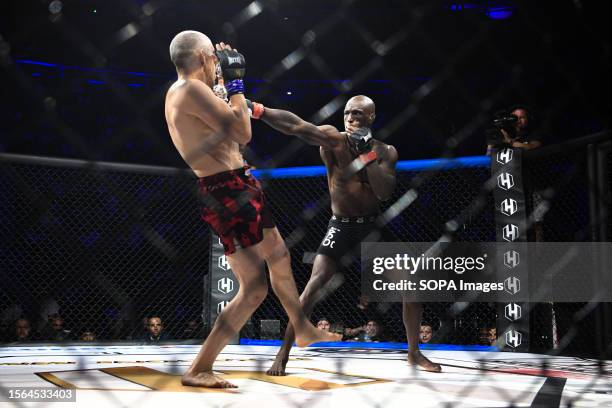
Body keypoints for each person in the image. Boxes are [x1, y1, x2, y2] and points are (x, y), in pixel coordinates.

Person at [164, 30, 339, 388]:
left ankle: (295, 331)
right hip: (228, 190)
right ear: (201, 56)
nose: (218, 62)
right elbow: (243, 133)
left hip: (231, 185)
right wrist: (237, 81)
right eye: (213, 56)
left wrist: (229, 88)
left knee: (266, 272)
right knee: (266, 272)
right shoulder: (189, 90)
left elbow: (231, 133)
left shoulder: (192, 91)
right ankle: (297, 330)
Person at [247, 95, 441, 375]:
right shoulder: (333, 140)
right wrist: (258, 110)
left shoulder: (386, 151)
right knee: (312, 288)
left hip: (372, 226)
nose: (350, 118)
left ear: (371, 118)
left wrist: (367, 156)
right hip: (341, 226)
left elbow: (384, 192)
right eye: (348, 113)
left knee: (411, 286)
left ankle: (414, 352)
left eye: (358, 114)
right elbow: (297, 127)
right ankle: (283, 354)